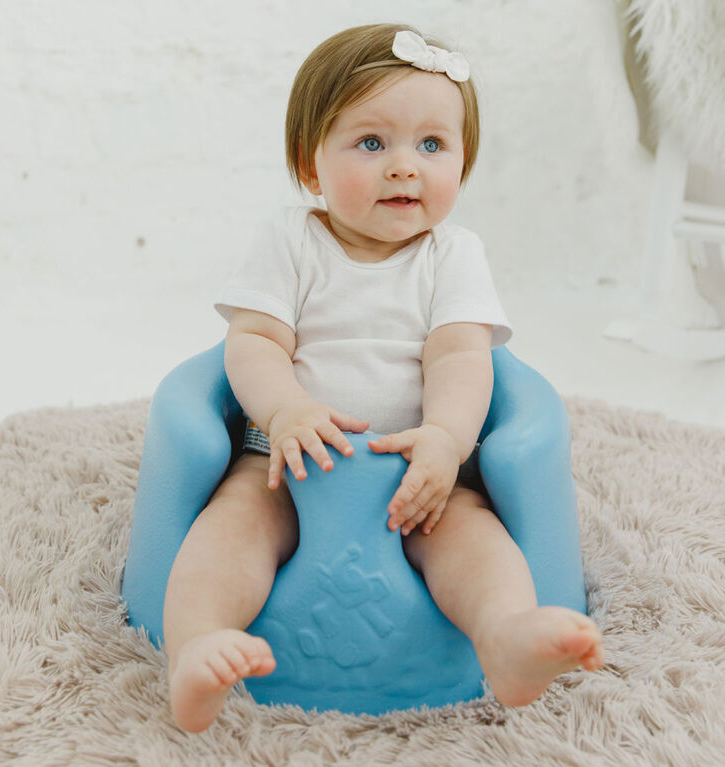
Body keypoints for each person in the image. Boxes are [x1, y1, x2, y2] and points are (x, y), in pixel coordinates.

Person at [163, 23, 605, 732]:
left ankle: (504, 635)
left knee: (472, 539)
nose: (405, 166)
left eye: (431, 145)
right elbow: (251, 343)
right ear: (311, 165)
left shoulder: (452, 255)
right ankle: (197, 644)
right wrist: (285, 413)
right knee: (228, 532)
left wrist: (443, 440)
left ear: (461, 162)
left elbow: (462, 357)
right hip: (286, 460)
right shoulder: (290, 241)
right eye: (371, 143)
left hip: (415, 473)